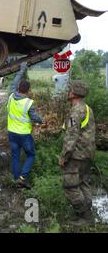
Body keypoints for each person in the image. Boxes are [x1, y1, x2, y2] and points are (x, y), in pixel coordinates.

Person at [59, 81, 96, 226]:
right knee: (83, 183)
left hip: (76, 156)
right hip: (88, 154)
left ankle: (85, 217)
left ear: (74, 94)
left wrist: (64, 156)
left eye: (70, 90)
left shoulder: (75, 111)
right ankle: (88, 212)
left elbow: (71, 136)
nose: (68, 92)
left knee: (71, 187)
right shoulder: (87, 108)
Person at [7, 62, 43, 189]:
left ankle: (16, 179)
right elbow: (34, 118)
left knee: (15, 157)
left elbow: (13, 82)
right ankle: (22, 178)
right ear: (28, 90)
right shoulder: (28, 103)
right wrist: (42, 120)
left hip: (11, 133)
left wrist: (22, 69)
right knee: (31, 155)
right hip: (24, 135)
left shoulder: (11, 96)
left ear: (18, 88)